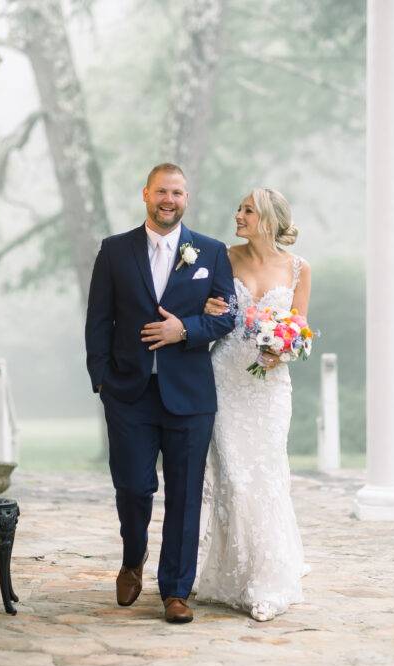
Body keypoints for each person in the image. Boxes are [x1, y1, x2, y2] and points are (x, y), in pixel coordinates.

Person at [84, 163, 236, 623]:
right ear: (145, 194)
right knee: (132, 486)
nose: (170, 200)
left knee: (186, 494)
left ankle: (175, 590)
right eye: (162, 192)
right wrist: (102, 380)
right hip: (129, 392)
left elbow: (227, 316)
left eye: (178, 192)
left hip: (189, 395)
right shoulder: (114, 251)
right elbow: (98, 322)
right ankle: (133, 559)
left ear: (186, 198)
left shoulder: (210, 251)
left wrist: (184, 329)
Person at [195, 188, 311, 622]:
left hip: (269, 388)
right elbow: (212, 311)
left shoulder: (299, 269)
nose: (238, 214)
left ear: (267, 219)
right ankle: (232, 575)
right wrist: (206, 307)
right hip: (224, 379)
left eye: (247, 210)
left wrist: (282, 348)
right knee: (233, 479)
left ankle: (268, 578)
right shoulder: (224, 257)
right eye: (239, 207)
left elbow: (301, 331)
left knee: (265, 474)